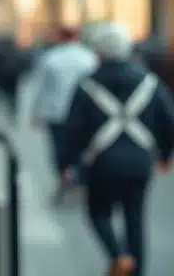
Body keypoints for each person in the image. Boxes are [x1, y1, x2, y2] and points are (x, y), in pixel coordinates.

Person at [60, 23, 174, 276]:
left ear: (98, 52)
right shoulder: (150, 81)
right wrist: (166, 155)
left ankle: (118, 255)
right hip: (139, 162)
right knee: (135, 220)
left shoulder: (87, 84)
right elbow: (168, 120)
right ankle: (135, 270)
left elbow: (73, 128)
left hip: (102, 162)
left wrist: (66, 164)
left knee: (98, 213)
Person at [29, 25, 99, 202]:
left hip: (57, 112)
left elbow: (40, 87)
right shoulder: (89, 58)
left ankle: (64, 180)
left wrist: (36, 112)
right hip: (84, 113)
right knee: (81, 148)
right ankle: (78, 179)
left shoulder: (51, 58)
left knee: (60, 150)